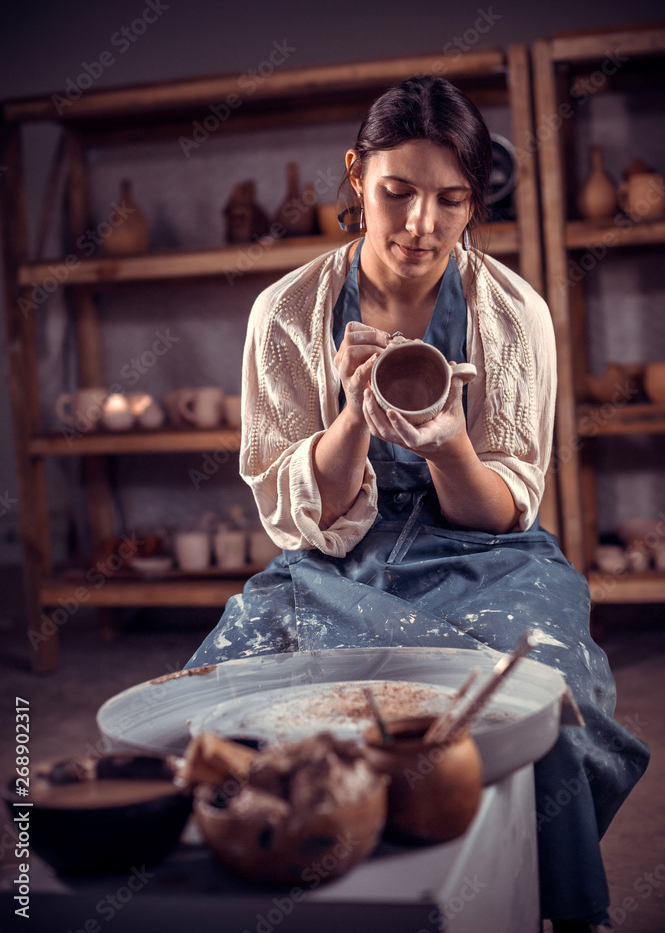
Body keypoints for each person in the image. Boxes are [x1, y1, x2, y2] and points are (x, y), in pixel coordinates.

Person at [186, 75, 648, 931]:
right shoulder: (286, 314)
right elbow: (298, 516)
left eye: (451, 200)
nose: (420, 225)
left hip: (483, 553)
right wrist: (354, 417)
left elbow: (503, 508)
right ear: (356, 175)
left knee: (548, 696)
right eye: (396, 193)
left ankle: (550, 903)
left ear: (475, 203)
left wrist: (446, 445)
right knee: (222, 704)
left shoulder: (514, 316)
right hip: (335, 555)